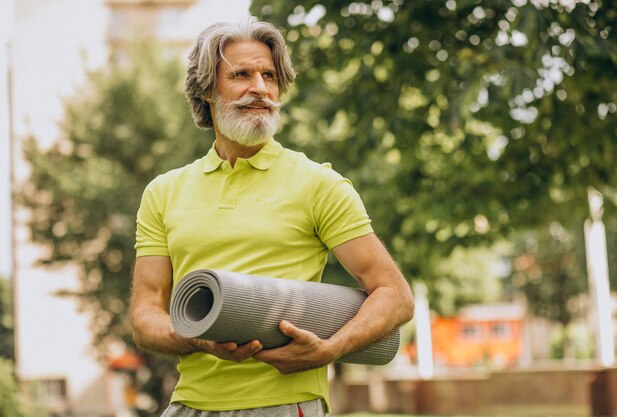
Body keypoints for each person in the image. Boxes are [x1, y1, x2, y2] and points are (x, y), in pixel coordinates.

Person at [130, 17, 414, 417]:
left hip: (284, 405)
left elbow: (395, 295)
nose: (260, 88)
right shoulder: (164, 191)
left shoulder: (319, 184)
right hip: (190, 404)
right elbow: (145, 315)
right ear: (208, 89)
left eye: (269, 75)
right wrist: (198, 338)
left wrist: (331, 350)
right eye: (241, 74)